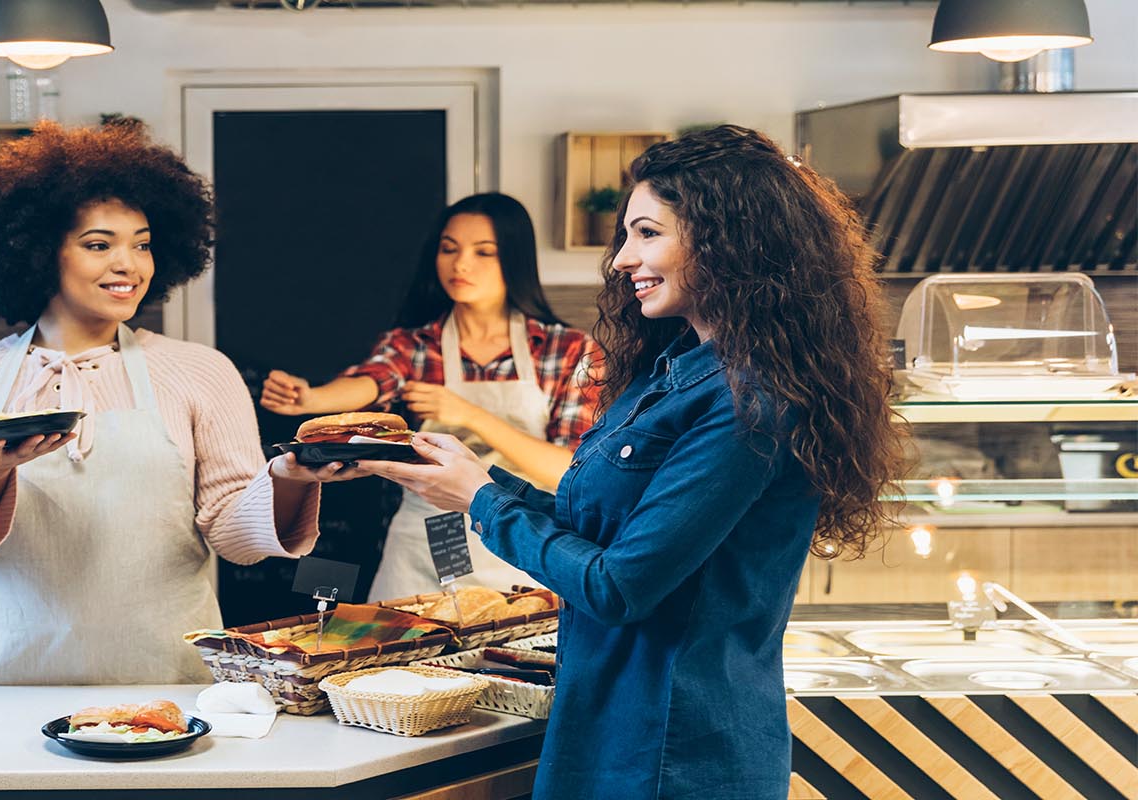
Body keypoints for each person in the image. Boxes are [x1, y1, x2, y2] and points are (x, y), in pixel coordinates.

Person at [359, 126, 904, 798]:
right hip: (611, 728)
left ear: (729, 239)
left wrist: (481, 501)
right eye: (626, 235)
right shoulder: (668, 374)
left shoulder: (748, 401)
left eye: (647, 233)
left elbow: (619, 586)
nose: (622, 258)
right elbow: (602, 522)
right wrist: (471, 480)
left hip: (678, 750)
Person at [0, 121, 339, 685]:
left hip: (169, 677)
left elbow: (233, 537)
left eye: (143, 243)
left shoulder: (201, 371)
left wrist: (292, 479)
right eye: (99, 245)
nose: (130, 264)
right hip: (3, 679)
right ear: (34, 250)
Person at [261, 193, 602, 599]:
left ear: (514, 258)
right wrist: (312, 399)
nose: (460, 264)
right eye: (449, 249)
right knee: (401, 658)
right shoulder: (417, 344)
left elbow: (567, 473)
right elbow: (374, 379)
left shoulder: (569, 349)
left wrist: (471, 415)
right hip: (427, 542)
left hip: (521, 537)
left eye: (483, 252)